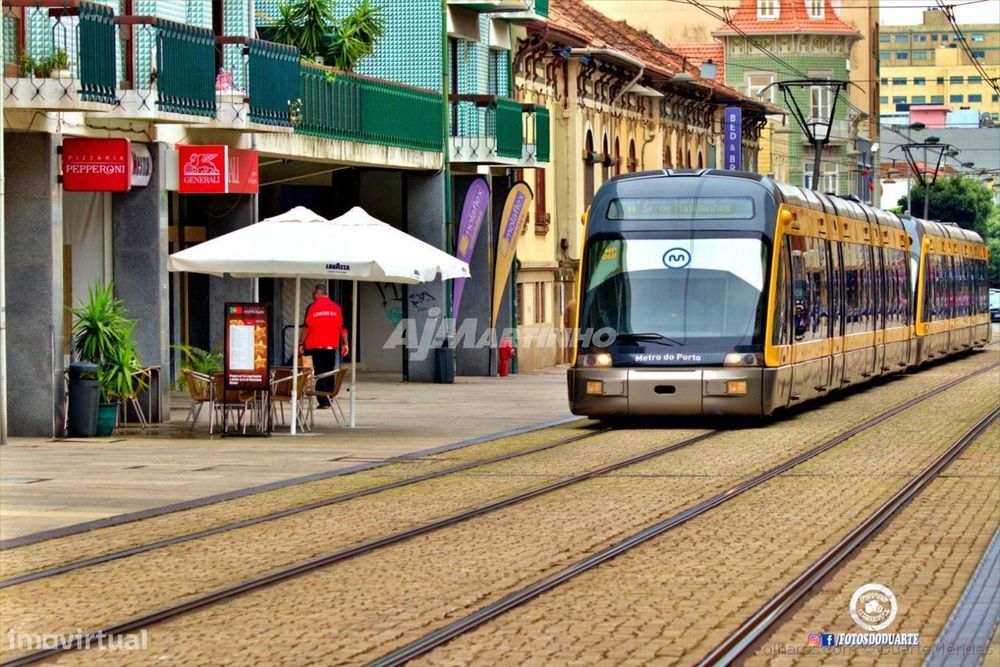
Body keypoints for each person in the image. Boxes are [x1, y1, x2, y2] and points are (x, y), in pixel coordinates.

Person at [300, 284, 349, 407]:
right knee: (329, 372)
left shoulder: (312, 307)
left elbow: (307, 328)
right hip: (331, 346)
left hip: (313, 346)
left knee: (319, 372)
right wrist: (345, 344)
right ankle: (329, 398)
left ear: (317, 294)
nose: (312, 297)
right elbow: (342, 328)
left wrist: (301, 343)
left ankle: (323, 400)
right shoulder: (336, 308)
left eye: (313, 294)